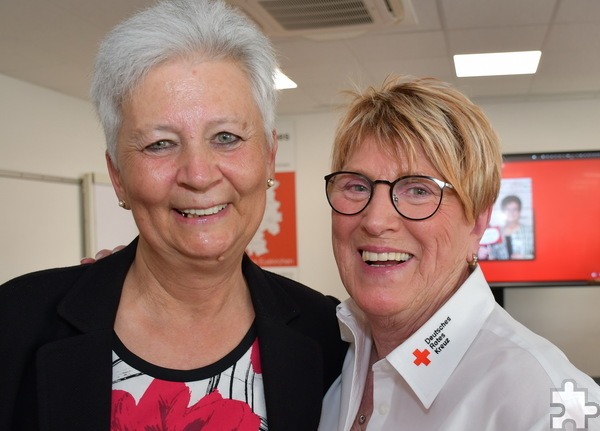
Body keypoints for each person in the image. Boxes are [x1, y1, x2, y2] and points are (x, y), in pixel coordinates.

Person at [0, 0, 347, 429]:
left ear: (270, 157)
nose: (199, 175)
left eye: (226, 136)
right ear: (118, 176)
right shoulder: (14, 323)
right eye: (159, 144)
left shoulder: (330, 337)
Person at [318, 76, 600, 430]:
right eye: (356, 186)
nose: (375, 220)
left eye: (418, 190)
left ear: (478, 222)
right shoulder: (325, 356)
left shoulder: (545, 401)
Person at [487, 194, 534, 260]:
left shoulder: (530, 231)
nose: (511, 212)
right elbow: (491, 256)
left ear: (519, 212)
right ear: (503, 211)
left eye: (515, 209)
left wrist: (524, 258)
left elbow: (540, 255)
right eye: (507, 209)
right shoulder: (495, 233)